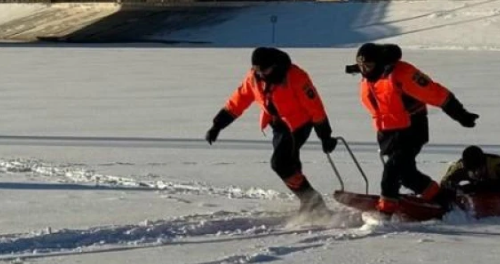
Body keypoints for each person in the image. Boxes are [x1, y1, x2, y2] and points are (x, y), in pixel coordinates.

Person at [350, 43, 479, 219]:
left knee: (392, 170)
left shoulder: (402, 74)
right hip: (387, 132)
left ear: (380, 63)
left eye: (369, 66)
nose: (364, 70)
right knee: (407, 175)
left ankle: (385, 213)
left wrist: (461, 115)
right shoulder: (370, 77)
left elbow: (436, 93)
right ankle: (443, 199)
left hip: (412, 129)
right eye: (361, 66)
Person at [205, 47, 338, 215]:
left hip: (299, 125)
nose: (260, 74)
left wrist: (325, 136)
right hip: (278, 125)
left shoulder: (295, 76)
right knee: (290, 163)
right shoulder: (254, 77)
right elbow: (238, 100)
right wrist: (218, 125)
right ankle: (308, 202)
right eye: (256, 70)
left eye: (264, 70)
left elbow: (315, 107)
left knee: (280, 163)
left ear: (275, 66)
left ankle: (312, 201)